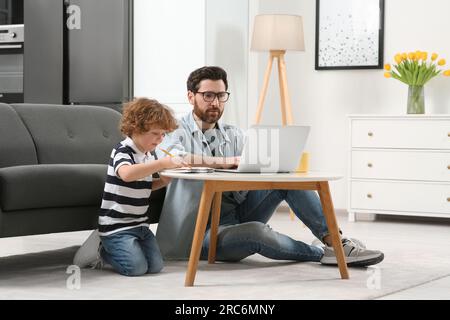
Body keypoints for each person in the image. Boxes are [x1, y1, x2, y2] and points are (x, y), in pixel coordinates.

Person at [155, 66, 384, 267]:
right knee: (256, 233)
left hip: (237, 212)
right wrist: (226, 162)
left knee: (288, 179)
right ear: (190, 96)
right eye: (207, 95)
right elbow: (174, 158)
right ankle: (321, 253)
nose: (215, 102)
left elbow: (254, 161)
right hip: (200, 233)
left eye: (221, 95)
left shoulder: (233, 134)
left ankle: (335, 242)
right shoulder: (174, 130)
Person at [73, 98, 186, 276]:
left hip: (140, 224)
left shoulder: (148, 154)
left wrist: (163, 181)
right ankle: (101, 250)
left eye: (163, 134)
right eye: (155, 133)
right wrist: (162, 162)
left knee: (156, 266)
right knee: (136, 268)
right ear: (136, 128)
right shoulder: (122, 151)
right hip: (116, 226)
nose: (160, 139)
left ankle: (124, 249)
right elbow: (127, 174)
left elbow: (144, 185)